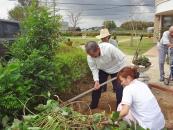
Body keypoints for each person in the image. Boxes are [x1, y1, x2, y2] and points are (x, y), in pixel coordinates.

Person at [85, 41, 127, 109]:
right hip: (103, 69)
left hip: (116, 69)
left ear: (98, 49)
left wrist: (122, 73)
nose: (93, 57)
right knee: (96, 88)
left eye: (94, 55)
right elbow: (94, 69)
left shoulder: (109, 48)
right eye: (91, 56)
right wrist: (96, 81)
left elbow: (123, 59)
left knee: (119, 89)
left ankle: (119, 108)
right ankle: (93, 105)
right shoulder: (90, 56)